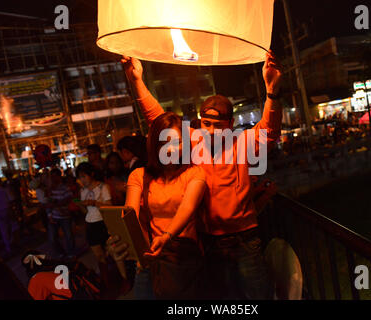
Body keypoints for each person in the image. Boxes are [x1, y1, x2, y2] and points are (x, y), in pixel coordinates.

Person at [121, 51, 283, 299]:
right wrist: (138, 82)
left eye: (219, 126)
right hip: (206, 241)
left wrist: (272, 92)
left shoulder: (242, 143)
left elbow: (269, 131)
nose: (212, 132)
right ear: (200, 121)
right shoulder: (192, 141)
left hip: (243, 241)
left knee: (255, 297)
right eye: (207, 124)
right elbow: (158, 120)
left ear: (230, 125)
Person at [108, 112, 207, 300]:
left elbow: (188, 208)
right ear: (154, 145)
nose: (170, 150)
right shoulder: (138, 175)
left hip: (183, 261)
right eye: (164, 143)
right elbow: (131, 214)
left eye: (177, 142)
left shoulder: (195, 173)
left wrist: (167, 236)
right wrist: (119, 239)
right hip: (148, 261)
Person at [76, 162, 112, 289]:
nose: (82, 180)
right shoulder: (83, 191)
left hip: (104, 223)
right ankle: (106, 281)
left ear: (91, 174)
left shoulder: (103, 187)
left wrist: (95, 202)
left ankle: (120, 278)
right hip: (90, 224)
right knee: (99, 255)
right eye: (80, 177)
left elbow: (110, 206)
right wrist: (81, 205)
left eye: (84, 176)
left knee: (112, 252)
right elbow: (86, 212)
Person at [46, 168, 75, 258]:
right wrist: (49, 214)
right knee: (52, 238)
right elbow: (47, 203)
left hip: (65, 216)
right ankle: (61, 253)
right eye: (52, 177)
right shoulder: (49, 190)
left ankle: (71, 253)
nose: (54, 179)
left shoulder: (65, 188)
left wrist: (54, 203)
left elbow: (67, 200)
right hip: (54, 216)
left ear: (59, 176)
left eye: (55, 176)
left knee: (68, 236)